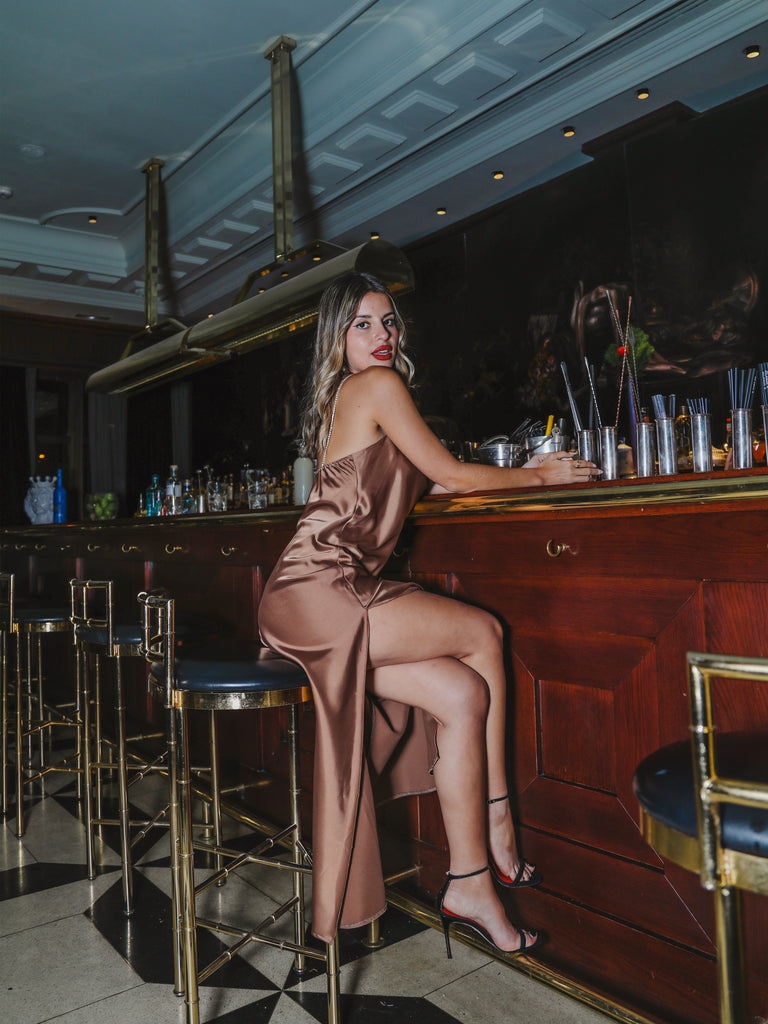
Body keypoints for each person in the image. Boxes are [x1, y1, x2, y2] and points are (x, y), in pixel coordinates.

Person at [258, 272, 597, 957]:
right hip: (321, 590)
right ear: (337, 338)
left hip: (314, 597)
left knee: (463, 694)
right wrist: (540, 476)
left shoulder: (356, 395)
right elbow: (455, 474)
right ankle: (500, 819)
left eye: (389, 322)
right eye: (363, 324)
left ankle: (470, 882)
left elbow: (430, 480)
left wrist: (506, 472)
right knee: (483, 631)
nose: (382, 335)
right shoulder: (376, 386)